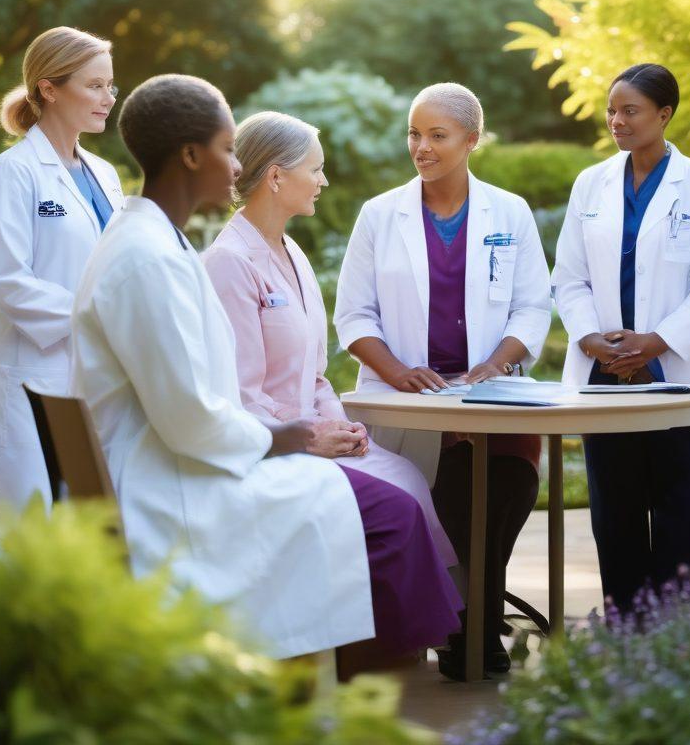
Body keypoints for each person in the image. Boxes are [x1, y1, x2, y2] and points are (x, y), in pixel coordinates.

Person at [71, 74, 461, 662]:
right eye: (229, 149)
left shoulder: (157, 245)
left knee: (389, 501)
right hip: (169, 479)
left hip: (189, 454)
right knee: (386, 514)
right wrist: (298, 436)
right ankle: (349, 667)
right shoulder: (148, 260)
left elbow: (202, 402)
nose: (236, 168)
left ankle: (363, 658)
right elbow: (191, 421)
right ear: (191, 154)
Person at [334, 82, 551, 680]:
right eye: (414, 133)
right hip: (406, 401)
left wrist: (496, 363)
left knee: (505, 485)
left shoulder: (509, 211)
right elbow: (353, 315)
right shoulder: (380, 215)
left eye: (437, 135)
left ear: (471, 141)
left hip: (488, 399)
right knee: (437, 499)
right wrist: (398, 372)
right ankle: (465, 631)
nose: (421, 147)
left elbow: (533, 307)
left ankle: (471, 621)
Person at [202, 110, 456, 566]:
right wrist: (311, 434)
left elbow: (315, 376)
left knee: (410, 481)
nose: (323, 181)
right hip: (274, 448)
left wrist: (340, 424)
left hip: (320, 436)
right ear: (277, 176)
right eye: (315, 169)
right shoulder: (228, 263)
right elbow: (239, 395)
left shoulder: (292, 252)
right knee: (398, 502)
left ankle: (428, 629)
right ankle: (394, 629)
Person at [552, 64, 690, 613]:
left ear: (664, 114)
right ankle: (625, 631)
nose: (617, 121)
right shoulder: (592, 183)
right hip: (605, 376)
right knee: (615, 514)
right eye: (612, 110)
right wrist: (588, 338)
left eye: (630, 110)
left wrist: (656, 340)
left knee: (680, 512)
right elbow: (569, 275)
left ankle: (680, 637)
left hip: (674, 374)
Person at [0, 27, 122, 524]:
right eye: (94, 85)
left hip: (94, 372)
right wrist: (97, 316)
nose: (108, 98)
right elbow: (10, 282)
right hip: (31, 369)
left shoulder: (105, 174)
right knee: (23, 527)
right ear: (49, 89)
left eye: (111, 86)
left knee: (88, 523)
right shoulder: (11, 173)